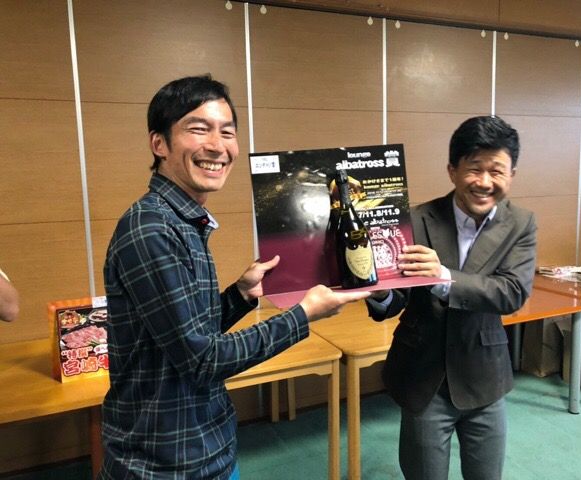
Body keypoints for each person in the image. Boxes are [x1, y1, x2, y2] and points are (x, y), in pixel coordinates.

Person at [99, 75, 370, 479]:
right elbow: (203, 360)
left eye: (227, 132)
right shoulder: (151, 229)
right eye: (198, 129)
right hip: (163, 464)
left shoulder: (181, 220)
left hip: (204, 446)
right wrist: (302, 315)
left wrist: (240, 295)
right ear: (159, 144)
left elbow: (186, 334)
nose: (217, 146)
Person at [367, 116, 536, 480]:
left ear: (511, 175)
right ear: (452, 170)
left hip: (485, 375)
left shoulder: (521, 223)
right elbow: (396, 298)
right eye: (474, 168)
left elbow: (511, 292)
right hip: (424, 375)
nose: (485, 182)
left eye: (497, 171)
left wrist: (443, 276)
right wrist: (380, 291)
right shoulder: (416, 219)